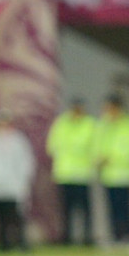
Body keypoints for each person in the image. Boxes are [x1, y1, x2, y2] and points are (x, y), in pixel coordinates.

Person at [46, 99, 95, 246]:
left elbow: (95, 147)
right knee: (65, 209)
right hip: (65, 173)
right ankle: (66, 237)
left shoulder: (89, 124)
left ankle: (87, 237)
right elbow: (51, 146)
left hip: (82, 174)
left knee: (84, 209)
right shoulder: (61, 124)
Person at [0, 109, 35, 252]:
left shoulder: (19, 141)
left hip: (15, 184)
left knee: (17, 215)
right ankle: (3, 243)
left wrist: (24, 179)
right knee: (0, 215)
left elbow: (26, 161)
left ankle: (21, 242)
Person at [94, 96, 129, 248]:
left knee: (125, 208)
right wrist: (98, 159)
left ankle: (128, 236)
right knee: (112, 208)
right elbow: (97, 146)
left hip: (124, 174)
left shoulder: (128, 125)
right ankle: (115, 236)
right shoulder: (103, 125)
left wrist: (112, 158)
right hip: (109, 175)